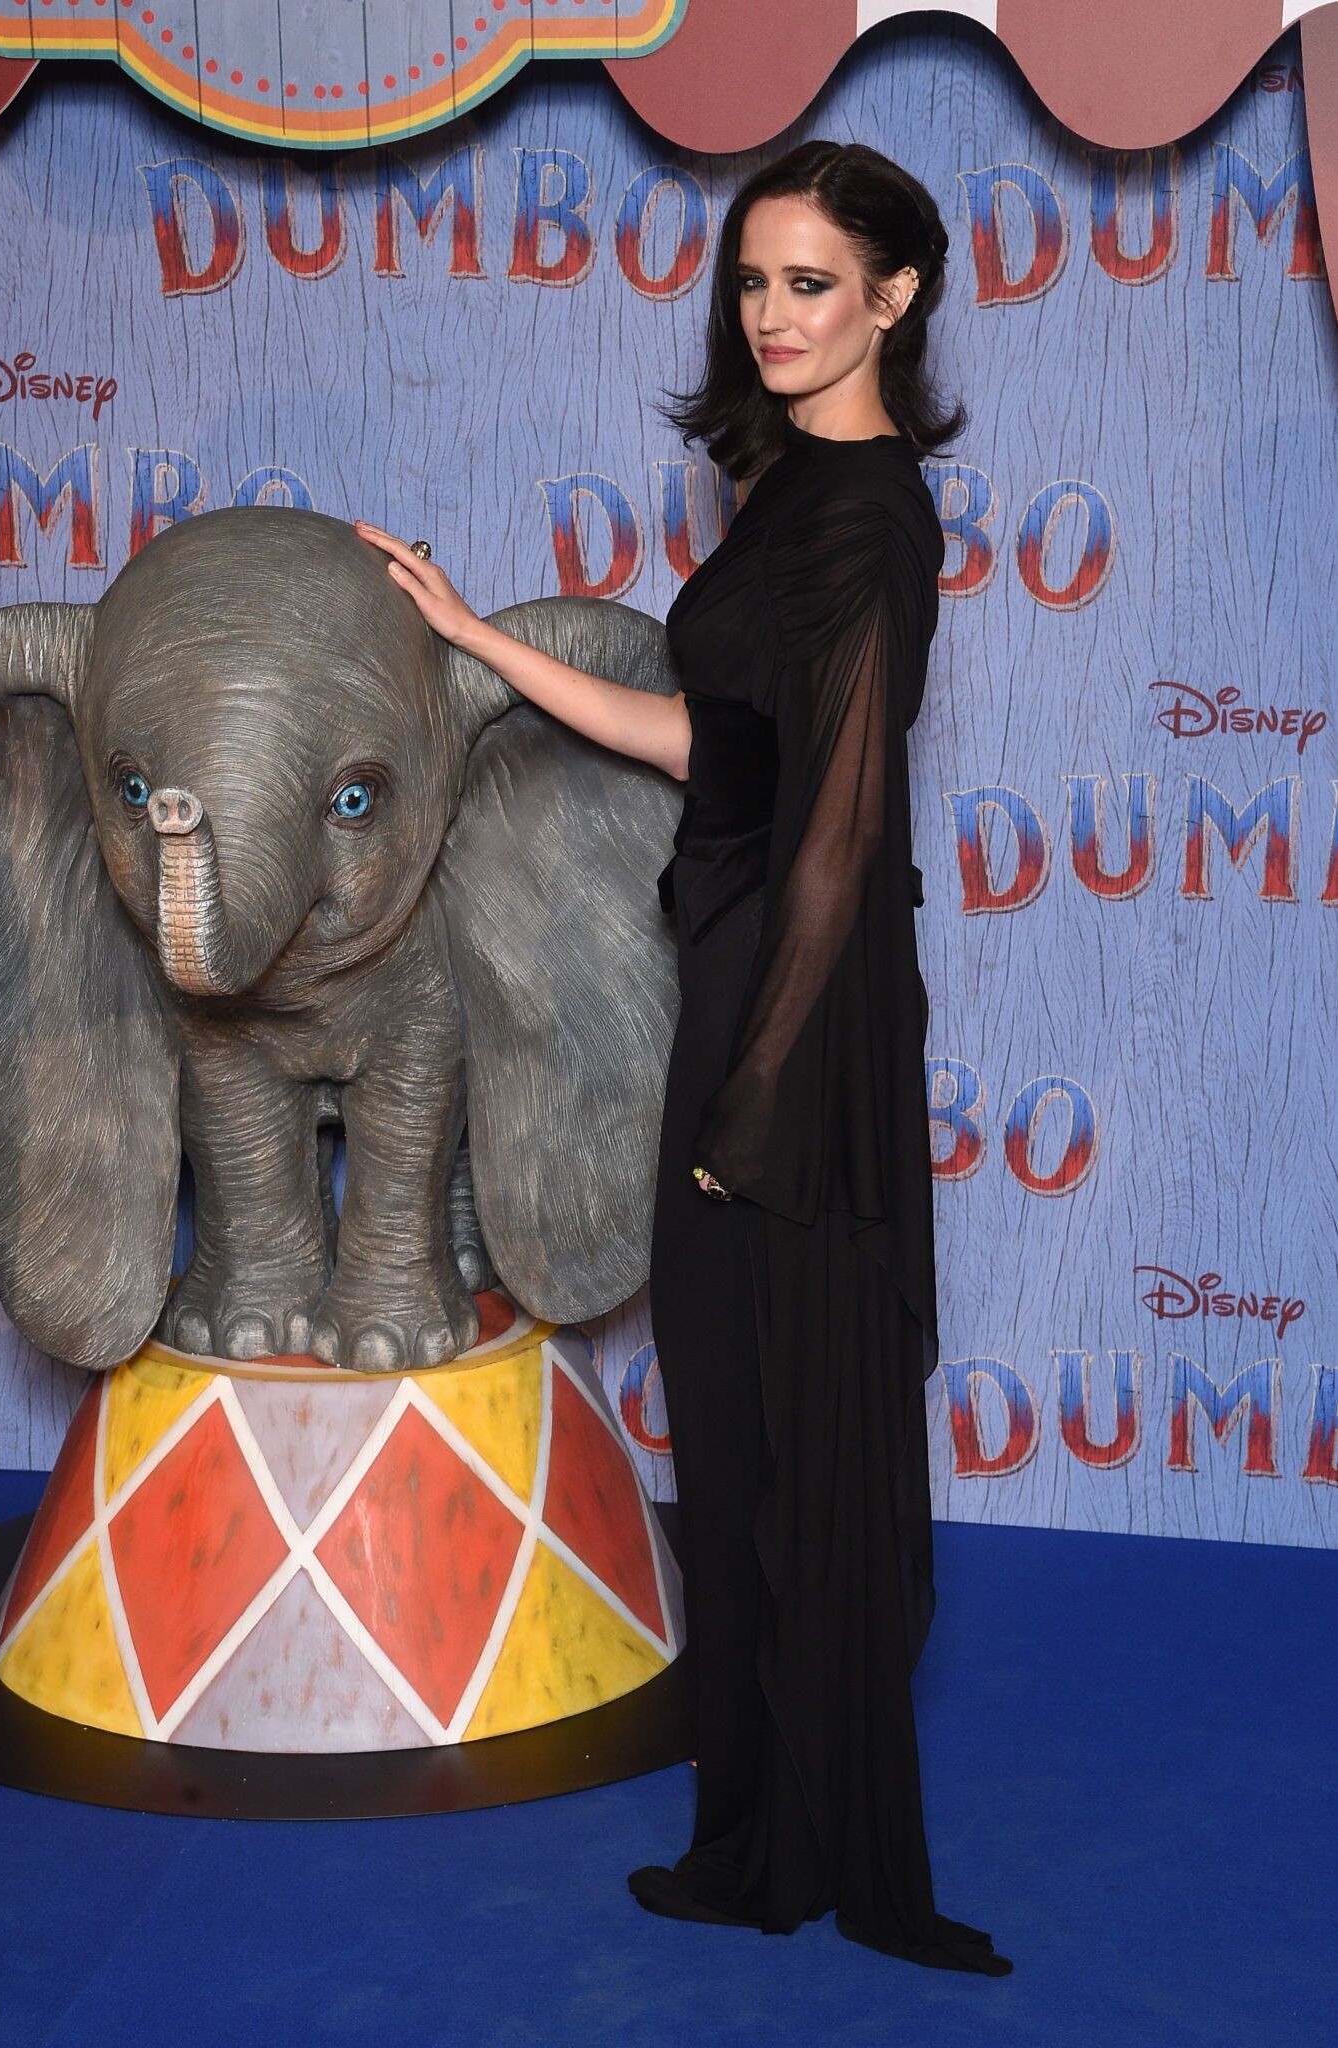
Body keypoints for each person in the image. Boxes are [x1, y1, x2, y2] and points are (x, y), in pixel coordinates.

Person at [354, 136, 1012, 1978]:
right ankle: (760, 1838)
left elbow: (840, 829)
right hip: (739, 980)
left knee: (796, 1431)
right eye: (753, 281)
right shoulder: (789, 489)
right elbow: (717, 746)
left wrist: (757, 1098)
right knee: (734, 1429)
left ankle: (813, 1846)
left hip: (796, 1020)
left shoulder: (870, 519)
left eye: (814, 284)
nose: (774, 317)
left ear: (894, 296)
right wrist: (479, 642)